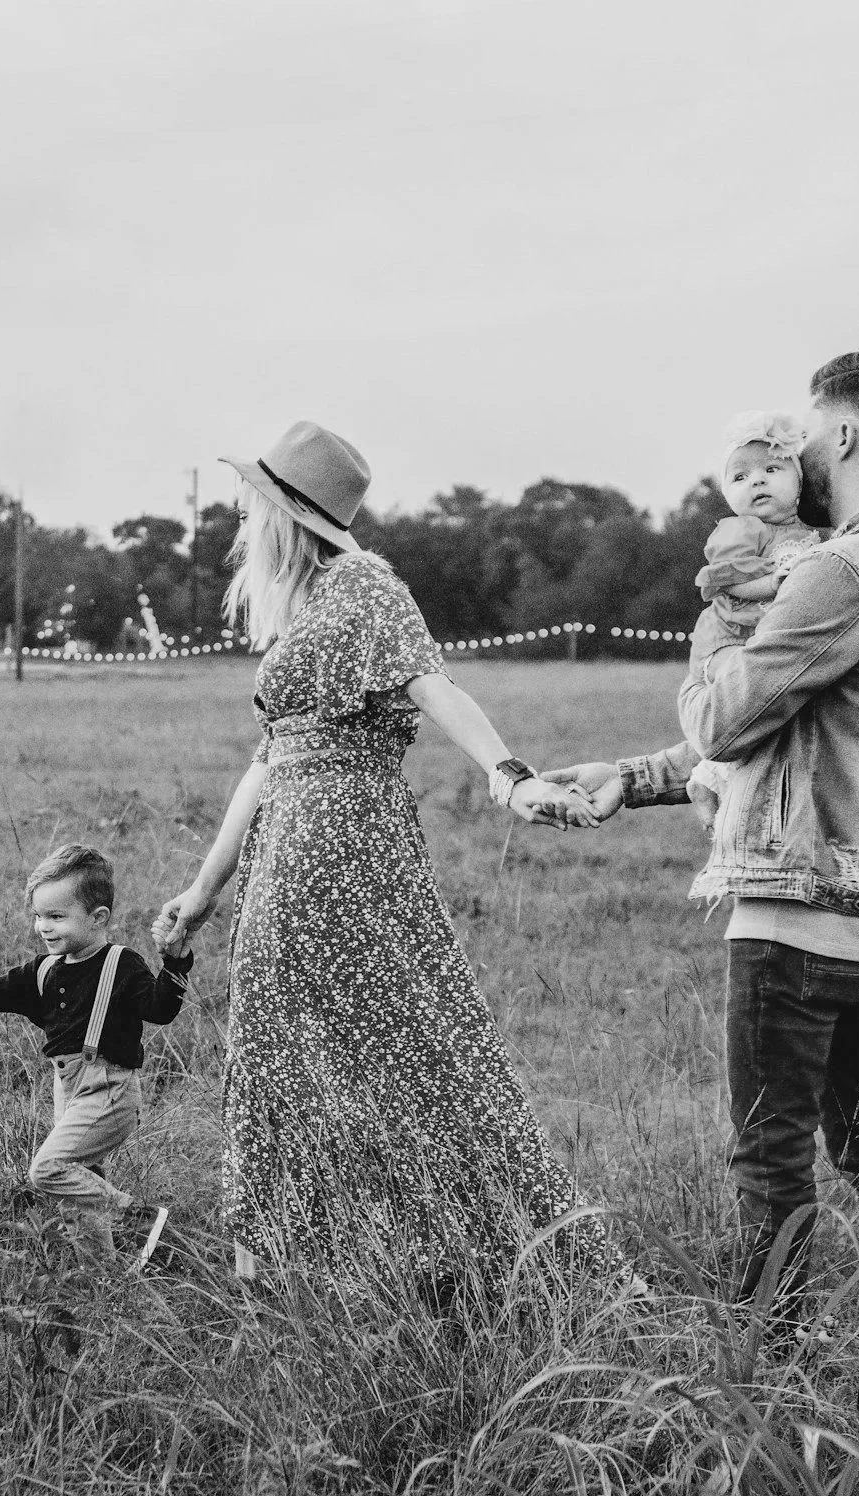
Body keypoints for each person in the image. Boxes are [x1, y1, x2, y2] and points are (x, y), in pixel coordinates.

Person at [544, 351, 859, 1377]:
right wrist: (629, 778)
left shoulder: (838, 571)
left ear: (844, 437)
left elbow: (724, 713)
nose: (795, 453)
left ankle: (766, 1377)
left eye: (807, 434)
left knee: (770, 1160)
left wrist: (707, 644)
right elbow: (783, 734)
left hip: (796, 916)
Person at [150, 419, 609, 1283]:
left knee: (408, 1049)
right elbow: (270, 758)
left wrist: (510, 777)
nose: (245, 523)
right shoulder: (315, 601)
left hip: (342, 847)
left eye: (255, 505)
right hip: (292, 846)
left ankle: (471, 1247)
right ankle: (294, 1260)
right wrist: (204, 890)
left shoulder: (363, 586)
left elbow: (433, 684)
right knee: (296, 1054)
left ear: (289, 513)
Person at [0, 843, 188, 1259]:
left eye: (57, 916)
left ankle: (139, 1219)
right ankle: (100, 1275)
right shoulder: (43, 970)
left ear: (99, 918)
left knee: (49, 1170)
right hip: (67, 1089)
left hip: (109, 1089)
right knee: (81, 1178)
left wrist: (176, 964)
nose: (44, 927)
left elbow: (161, 1011)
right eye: (39, 916)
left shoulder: (121, 964)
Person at [685, 411, 824, 847]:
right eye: (740, 477)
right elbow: (726, 580)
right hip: (726, 638)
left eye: (771, 470)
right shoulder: (741, 530)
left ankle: (709, 778)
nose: (757, 482)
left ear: (799, 480)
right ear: (727, 493)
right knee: (742, 700)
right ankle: (710, 779)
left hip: (760, 640)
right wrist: (775, 582)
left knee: (767, 712)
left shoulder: (810, 535)